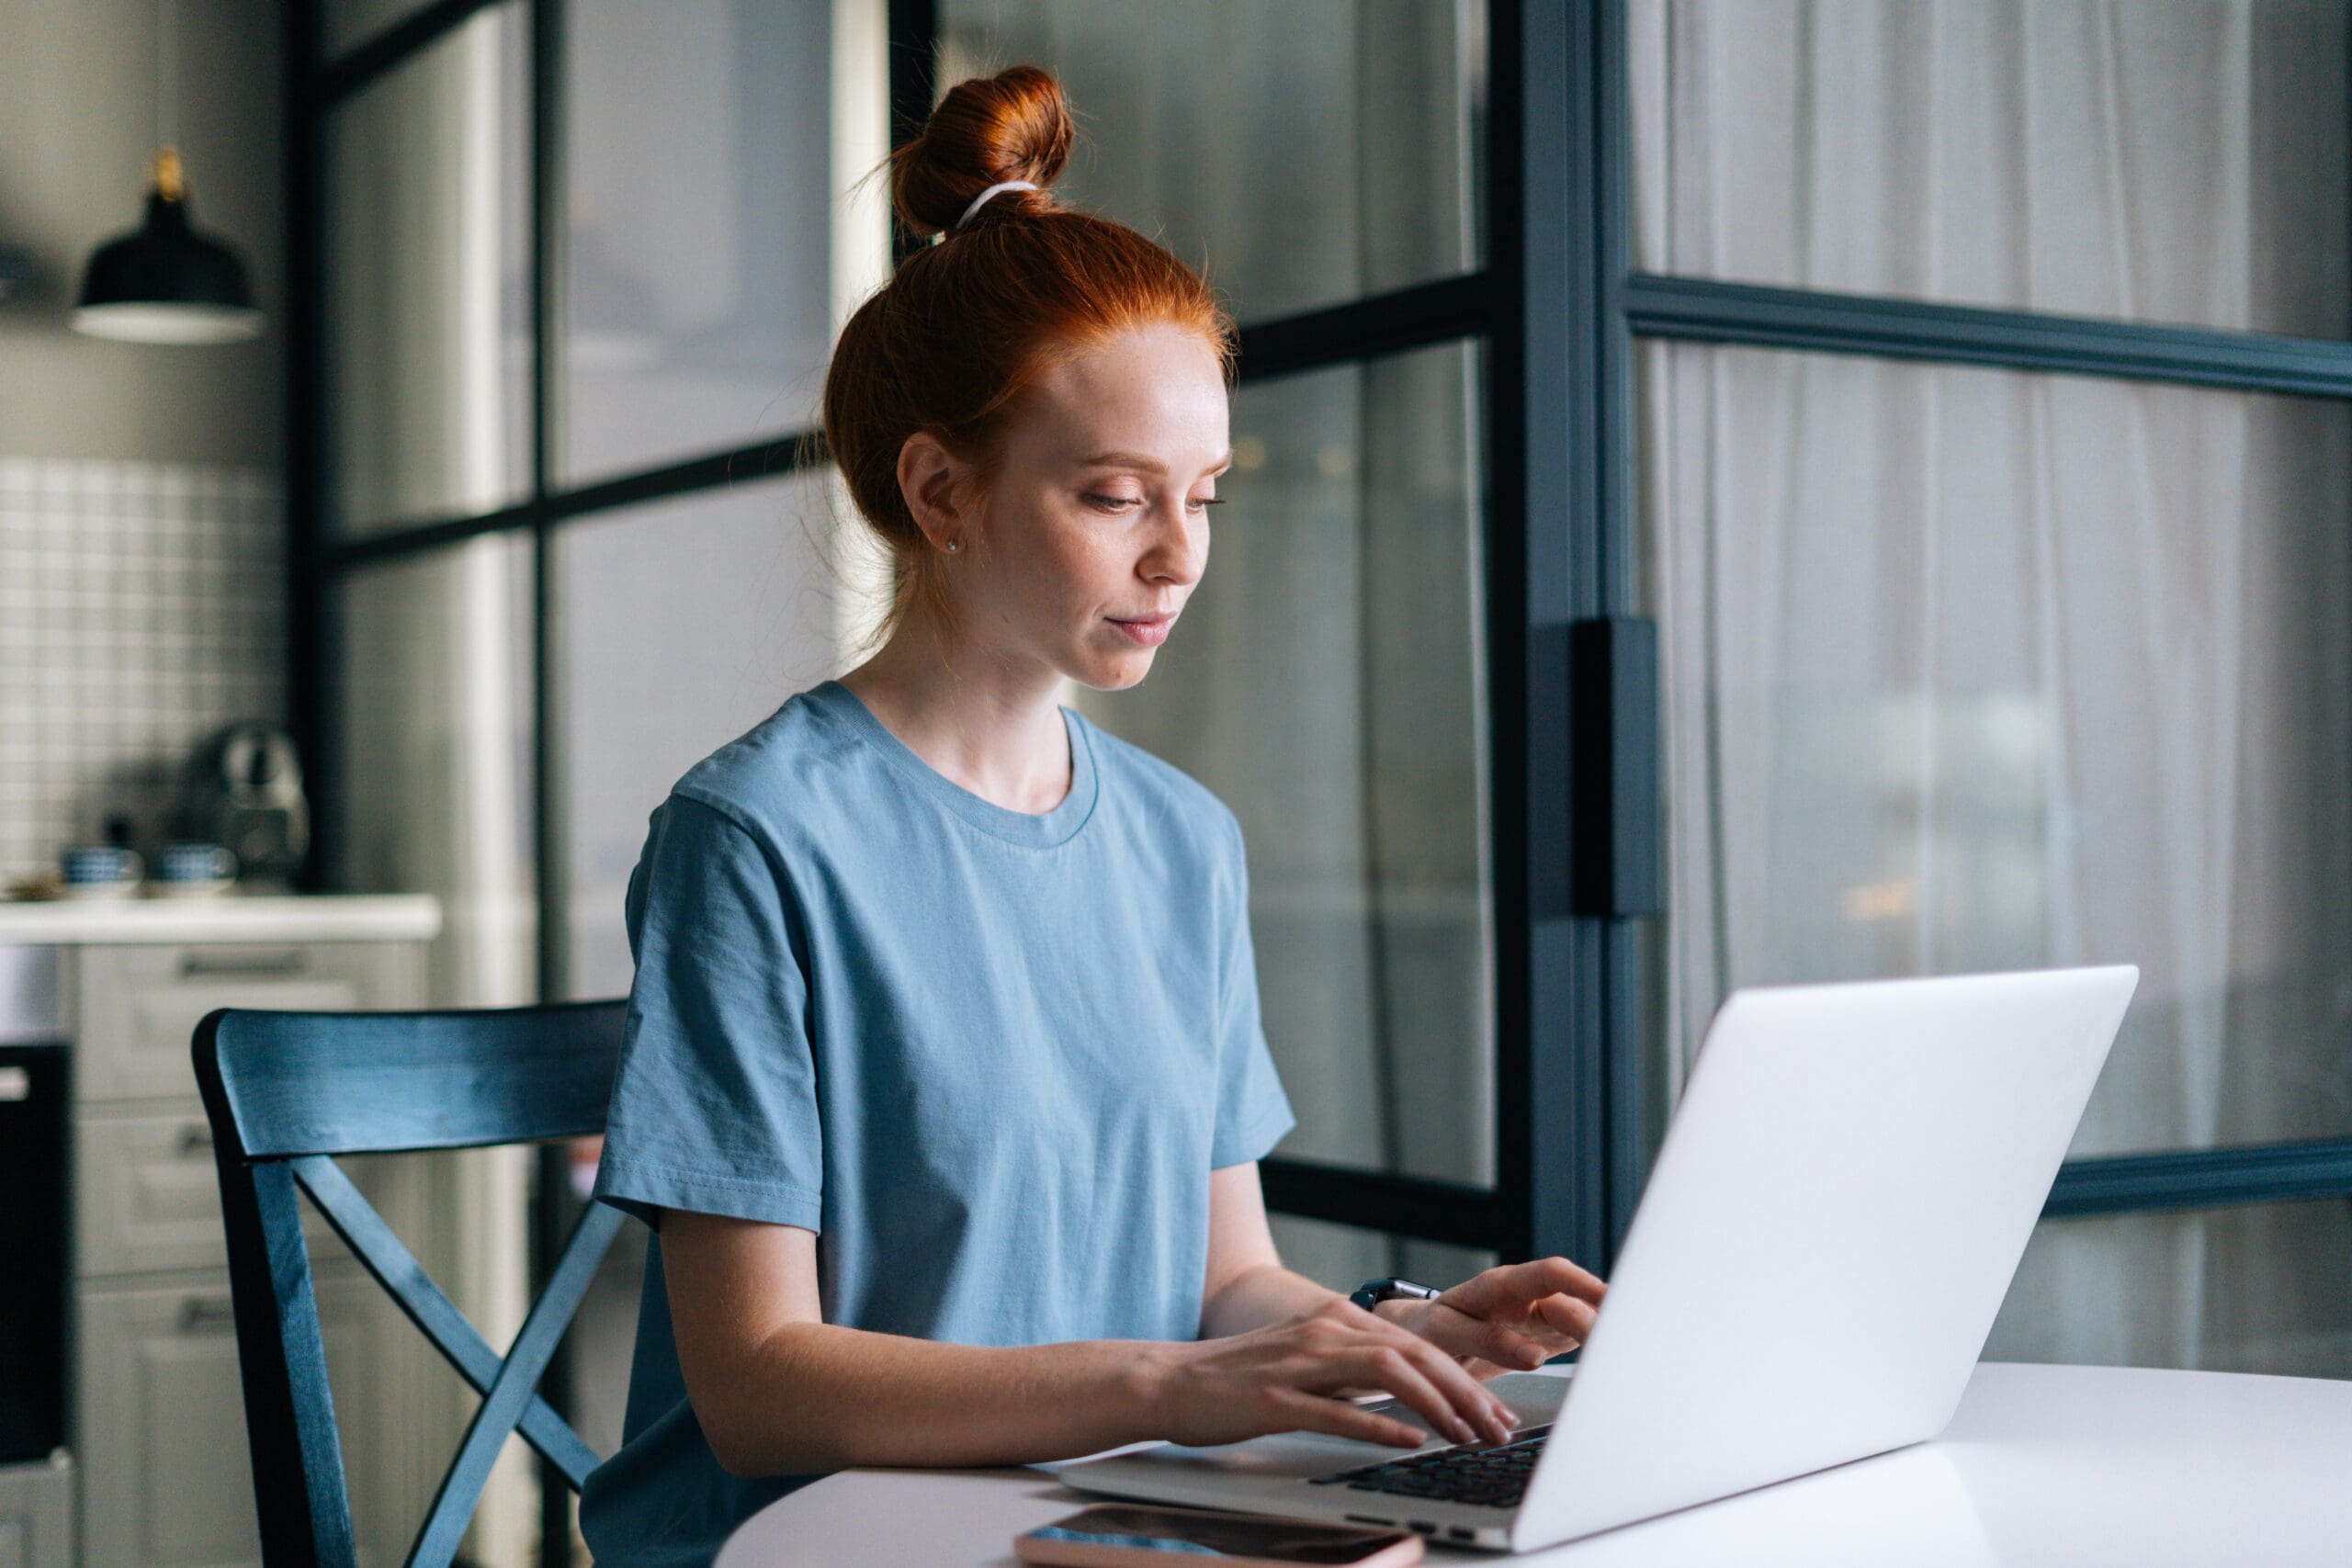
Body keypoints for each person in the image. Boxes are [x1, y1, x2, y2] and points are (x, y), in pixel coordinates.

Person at [576, 64, 1607, 1568]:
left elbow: (1221, 1283)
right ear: (942, 490)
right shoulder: (757, 841)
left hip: (1104, 1524)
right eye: (1117, 497)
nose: (1179, 557)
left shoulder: (1182, 842)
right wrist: (1178, 1392)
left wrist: (1386, 1336)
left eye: (1208, 495)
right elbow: (758, 1390)